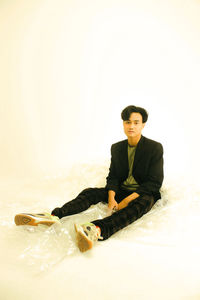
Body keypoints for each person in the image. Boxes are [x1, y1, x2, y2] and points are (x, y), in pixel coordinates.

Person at [15, 105, 164, 252]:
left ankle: (96, 229)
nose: (131, 126)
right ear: (123, 124)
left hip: (141, 193)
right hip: (121, 190)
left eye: (136, 122)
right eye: (127, 122)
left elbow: (154, 182)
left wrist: (126, 200)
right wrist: (112, 198)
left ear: (143, 125)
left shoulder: (154, 148)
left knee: (142, 204)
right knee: (90, 192)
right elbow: (113, 176)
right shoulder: (117, 148)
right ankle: (53, 216)